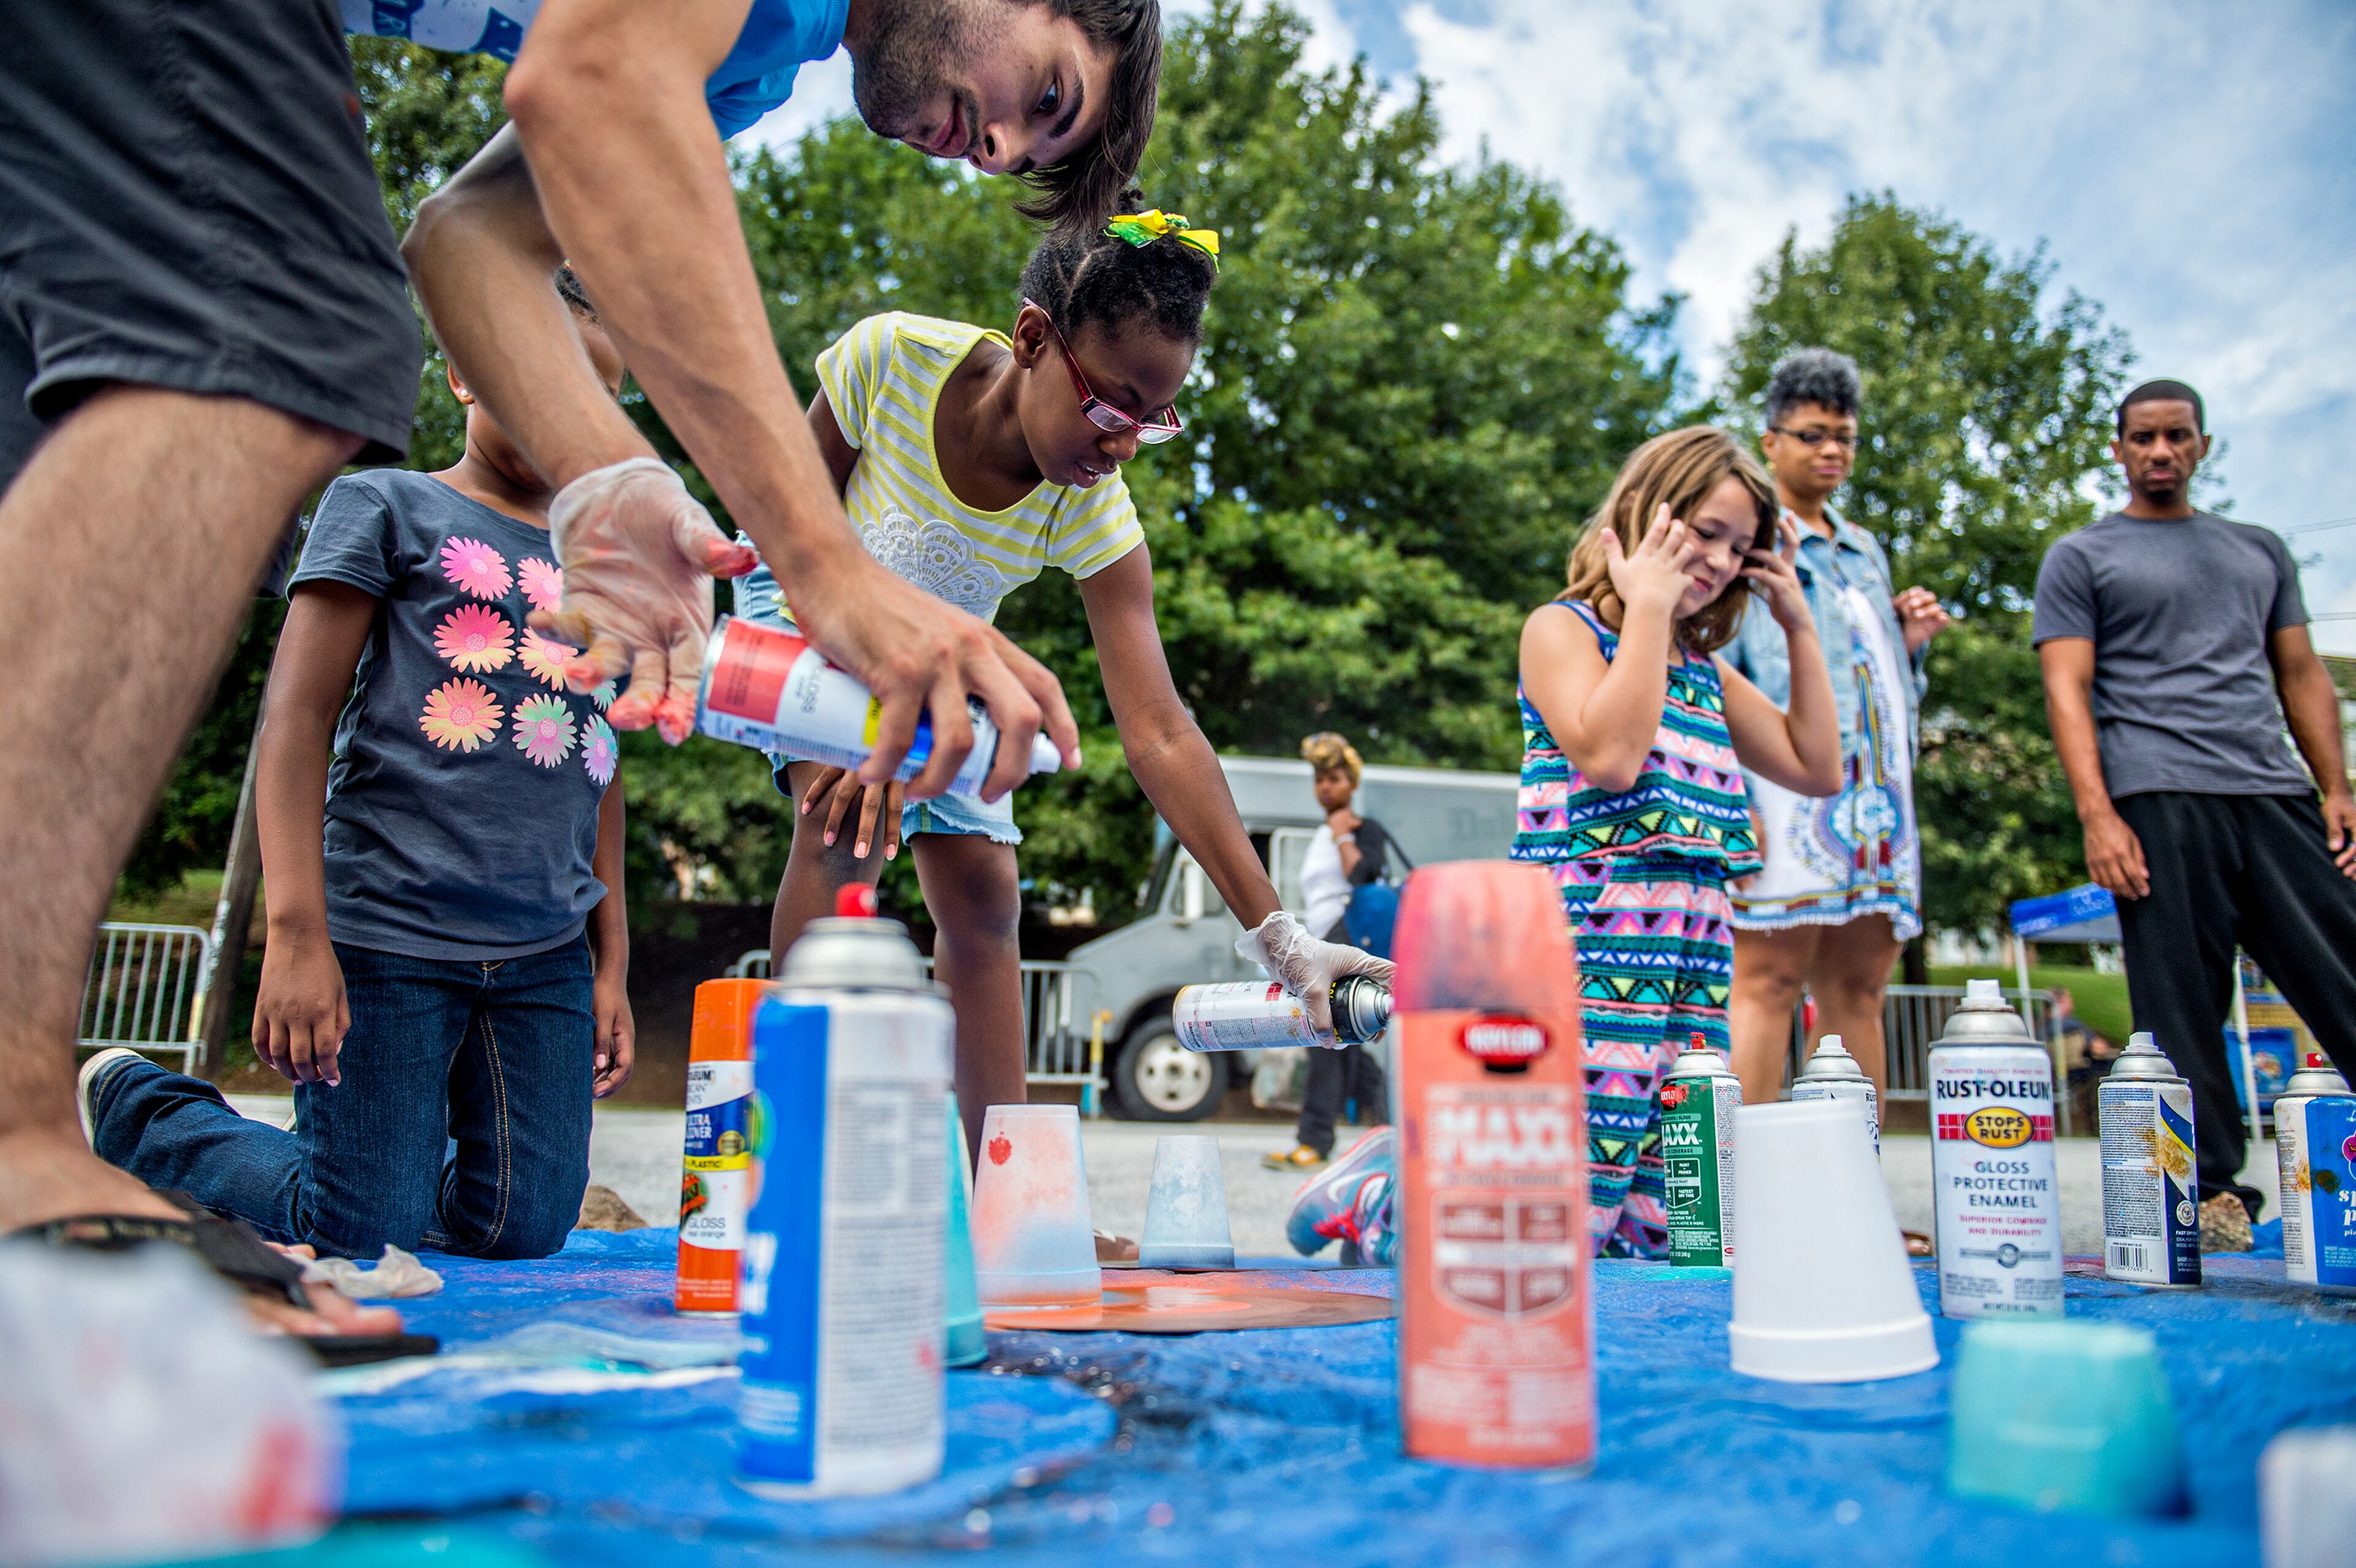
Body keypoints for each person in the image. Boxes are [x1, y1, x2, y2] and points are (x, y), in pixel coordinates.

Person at [0, 0, 1153, 1324]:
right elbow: (588, 75)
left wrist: (604, 479)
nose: (993, 145)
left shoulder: (740, 74)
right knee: (280, 339)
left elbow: (475, 243)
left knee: (40, 456)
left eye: (1021, 158)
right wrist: (826, 573)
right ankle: (21, 1142)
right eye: (1043, 96)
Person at [735, 209, 1388, 1160]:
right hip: (797, 602)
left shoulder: (1089, 507)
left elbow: (1161, 730)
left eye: (1153, 421)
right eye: (1113, 407)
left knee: (988, 889)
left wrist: (1284, 941)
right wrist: (855, 711)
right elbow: (782, 519)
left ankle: (1005, 1198)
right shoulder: (894, 359)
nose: (1124, 444)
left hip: (936, 677)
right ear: (1035, 338)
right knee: (849, 820)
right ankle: (786, 1164)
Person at [80, 272, 634, 1262]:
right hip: (389, 933)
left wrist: (613, 961)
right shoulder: (387, 505)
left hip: (543, 950)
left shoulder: (609, 568)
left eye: (592, 400)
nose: (562, 423)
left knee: (523, 1228)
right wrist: (298, 935)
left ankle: (382, 1161)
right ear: (466, 374)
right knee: (356, 1230)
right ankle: (142, 1108)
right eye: (536, 385)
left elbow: (601, 764)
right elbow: (294, 717)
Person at [1513, 428, 1841, 1255]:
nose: (1724, 560)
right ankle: (1382, 1203)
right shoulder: (1564, 632)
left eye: (1741, 546)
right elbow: (1612, 758)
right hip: (1593, 943)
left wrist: (1800, 626)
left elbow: (1816, 766)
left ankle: (1655, 1312)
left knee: (1678, 1172)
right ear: (1645, 514)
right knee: (1579, 1168)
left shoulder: (1701, 667)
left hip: (1693, 949)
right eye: (1706, 531)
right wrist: (1650, 605)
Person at [2035, 377, 2356, 1220]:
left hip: (2271, 787)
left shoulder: (2258, 549)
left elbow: (2301, 673)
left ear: (2203, 445)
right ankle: (2208, 1195)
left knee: (2342, 966)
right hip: (2155, 795)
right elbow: (2067, 690)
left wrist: (2336, 787)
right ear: (2119, 449)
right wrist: (2098, 815)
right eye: (2143, 438)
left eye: (2177, 436)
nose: (2161, 452)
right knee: (2178, 1008)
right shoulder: (2083, 556)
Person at [1723, 348, 1951, 1112]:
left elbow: (1882, 688)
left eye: (1845, 438)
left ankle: (1860, 1198)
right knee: (1767, 980)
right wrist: (1732, 795)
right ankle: (1738, 1197)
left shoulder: (1864, 549)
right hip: (1784, 791)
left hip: (1878, 799)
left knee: (1860, 988)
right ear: (1771, 441)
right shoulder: (1751, 541)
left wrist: (1908, 649)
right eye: (1813, 434)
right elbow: (1721, 672)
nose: (1831, 452)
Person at [1262, 733, 1395, 1172]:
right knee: (1346, 1045)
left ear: (1352, 784)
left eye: (1335, 779)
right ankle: (1395, 1132)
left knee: (1325, 1037)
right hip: (1322, 941)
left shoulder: (1362, 829)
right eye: (1320, 779)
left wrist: (1343, 836)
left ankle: (1314, 1142)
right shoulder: (1322, 833)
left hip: (1349, 941)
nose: (1326, 787)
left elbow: (1360, 876)